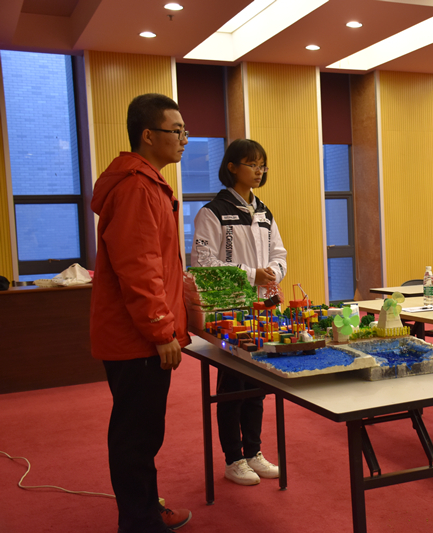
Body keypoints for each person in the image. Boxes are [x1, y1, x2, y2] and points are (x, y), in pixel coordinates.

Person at [91, 93, 192, 532]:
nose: (184, 139)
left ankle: (146, 511)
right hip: (137, 338)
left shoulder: (147, 183)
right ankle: (139, 523)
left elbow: (158, 263)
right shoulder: (136, 187)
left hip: (138, 334)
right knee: (136, 435)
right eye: (177, 131)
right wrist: (161, 330)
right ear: (148, 135)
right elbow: (139, 269)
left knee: (143, 430)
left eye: (185, 131)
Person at [191, 139, 287, 486]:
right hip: (228, 309)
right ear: (232, 167)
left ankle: (253, 452)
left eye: (262, 165)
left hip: (262, 310)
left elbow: (279, 253)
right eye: (252, 164)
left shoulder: (264, 213)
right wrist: (250, 274)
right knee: (232, 386)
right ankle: (233, 459)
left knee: (257, 384)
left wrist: (274, 272)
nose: (259, 171)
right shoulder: (212, 212)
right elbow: (203, 262)